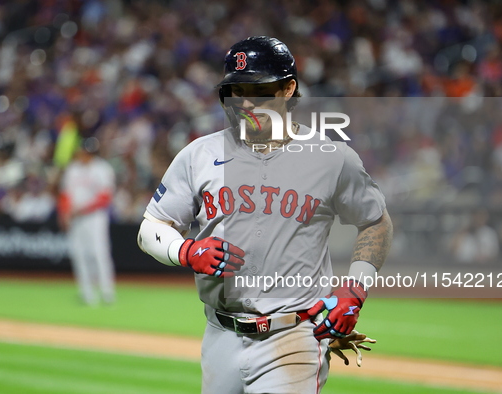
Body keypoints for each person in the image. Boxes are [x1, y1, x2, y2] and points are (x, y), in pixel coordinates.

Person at [138, 36, 393, 393]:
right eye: (235, 90)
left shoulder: (331, 158)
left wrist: (355, 289)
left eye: (257, 89)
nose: (244, 101)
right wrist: (184, 250)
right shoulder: (199, 154)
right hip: (219, 335)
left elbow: (375, 221)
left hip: (294, 336)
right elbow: (152, 225)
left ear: (289, 88)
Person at [58, 137, 117, 305]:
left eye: (86, 152)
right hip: (76, 218)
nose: (83, 154)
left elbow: (105, 198)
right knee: (79, 254)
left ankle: (107, 292)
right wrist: (65, 213)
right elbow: (65, 194)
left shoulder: (102, 169)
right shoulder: (72, 169)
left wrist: (80, 210)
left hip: (95, 217)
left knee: (99, 253)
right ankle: (87, 293)